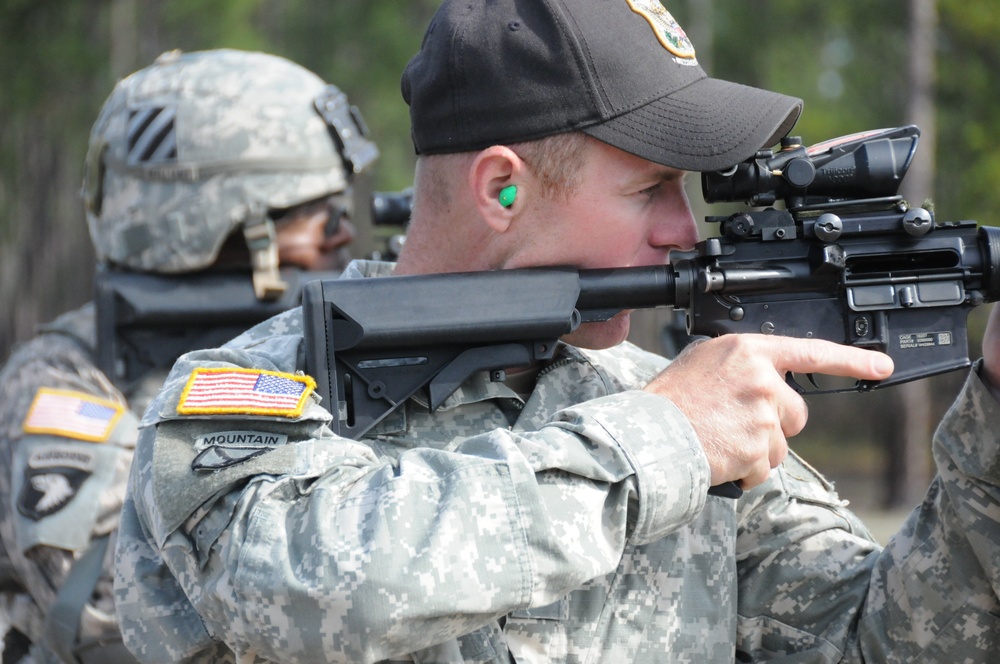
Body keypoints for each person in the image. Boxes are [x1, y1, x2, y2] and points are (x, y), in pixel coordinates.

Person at [114, 2, 1000, 663]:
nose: (683, 230)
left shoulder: (648, 397)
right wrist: (664, 441)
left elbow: (887, 640)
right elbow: (300, 591)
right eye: (651, 187)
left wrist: (993, 418)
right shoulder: (257, 395)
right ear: (503, 189)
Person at [0, 48, 377, 663]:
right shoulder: (68, 380)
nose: (346, 234)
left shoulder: (313, 345)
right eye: (326, 215)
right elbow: (104, 606)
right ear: (227, 221)